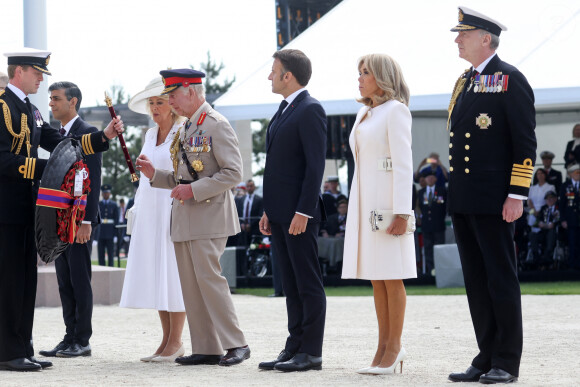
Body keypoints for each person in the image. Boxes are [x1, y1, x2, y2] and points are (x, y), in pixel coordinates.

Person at [0, 48, 123, 372]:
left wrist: (103, 137)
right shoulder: (2, 107)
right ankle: (6, 351)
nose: (41, 80)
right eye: (37, 73)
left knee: (25, 281)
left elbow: (63, 144)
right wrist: (49, 169)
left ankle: (21, 347)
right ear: (20, 71)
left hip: (26, 209)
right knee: (10, 282)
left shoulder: (30, 110)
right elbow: (3, 160)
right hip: (5, 210)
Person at [446, 7, 537, 384]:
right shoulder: (465, 81)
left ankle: (506, 360)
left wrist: (517, 193)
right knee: (476, 280)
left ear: (486, 38)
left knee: (500, 279)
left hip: (496, 198)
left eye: (463, 34)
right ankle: (485, 354)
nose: (456, 40)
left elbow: (524, 141)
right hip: (466, 197)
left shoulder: (510, 79)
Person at [137, 68, 250, 367]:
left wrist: (193, 191)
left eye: (173, 95)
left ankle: (236, 343)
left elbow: (233, 173)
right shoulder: (189, 127)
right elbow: (182, 176)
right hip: (186, 218)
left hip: (210, 216)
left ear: (190, 90)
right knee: (191, 285)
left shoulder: (215, 124)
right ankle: (207, 347)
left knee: (210, 281)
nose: (170, 101)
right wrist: (155, 176)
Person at [342, 53, 416, 375]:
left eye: (365, 72)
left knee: (391, 275)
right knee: (376, 278)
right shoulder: (364, 113)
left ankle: (394, 347)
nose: (359, 77)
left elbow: (403, 164)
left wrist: (402, 211)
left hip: (386, 204)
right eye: (359, 72)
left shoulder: (396, 111)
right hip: (363, 200)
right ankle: (382, 346)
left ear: (382, 77)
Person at [258, 49, 327, 372]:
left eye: (274, 71)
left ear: (289, 76)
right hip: (281, 214)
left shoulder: (310, 109)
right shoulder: (285, 109)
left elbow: (315, 167)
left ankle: (311, 351)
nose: (269, 76)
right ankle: (294, 344)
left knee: (307, 282)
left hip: (300, 215)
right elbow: (277, 167)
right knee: (290, 283)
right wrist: (269, 211)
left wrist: (304, 211)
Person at [120, 77, 187, 362]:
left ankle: (176, 341)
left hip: (170, 206)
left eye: (160, 102)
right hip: (150, 208)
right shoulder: (149, 134)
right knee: (158, 273)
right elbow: (144, 177)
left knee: (172, 272)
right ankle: (165, 340)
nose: (155, 107)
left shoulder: (182, 132)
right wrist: (137, 206)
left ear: (171, 105)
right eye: (152, 103)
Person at [39, 82, 102, 359]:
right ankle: (69, 336)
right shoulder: (59, 135)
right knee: (64, 280)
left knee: (79, 279)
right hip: (60, 220)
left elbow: (94, 179)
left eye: (56, 99)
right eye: (50, 99)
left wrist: (87, 221)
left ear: (72, 102)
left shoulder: (87, 133)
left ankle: (82, 340)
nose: (51, 103)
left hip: (79, 221)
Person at [417, 170, 447, 275]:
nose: (429, 179)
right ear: (424, 180)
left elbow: (445, 207)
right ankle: (431, 271)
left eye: (432, 177)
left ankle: (441, 271)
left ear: (435, 179)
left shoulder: (442, 191)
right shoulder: (421, 192)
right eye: (427, 177)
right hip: (426, 226)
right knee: (428, 249)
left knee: (440, 249)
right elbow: (420, 207)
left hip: (438, 225)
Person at [529, 190, 560, 267]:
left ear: (555, 199)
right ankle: (536, 256)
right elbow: (538, 221)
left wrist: (545, 225)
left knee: (551, 233)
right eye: (547, 199)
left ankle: (547, 255)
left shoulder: (558, 208)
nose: (549, 200)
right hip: (543, 232)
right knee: (532, 235)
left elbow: (554, 223)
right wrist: (540, 224)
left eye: (551, 198)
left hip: (554, 232)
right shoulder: (543, 208)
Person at [559, 164, 580, 271]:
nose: (578, 175)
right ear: (571, 174)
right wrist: (563, 219)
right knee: (572, 243)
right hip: (571, 220)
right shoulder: (565, 186)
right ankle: (572, 266)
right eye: (576, 172)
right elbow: (561, 204)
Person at [97, 184, 119, 267]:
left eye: (107, 193)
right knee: (101, 254)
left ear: (110, 194)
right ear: (102, 194)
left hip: (110, 232)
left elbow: (116, 220)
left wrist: (116, 235)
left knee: (110, 254)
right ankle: (101, 269)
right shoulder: (98, 204)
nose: (106, 194)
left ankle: (111, 268)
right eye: (104, 193)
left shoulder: (114, 205)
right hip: (101, 232)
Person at [237, 179, 264, 246]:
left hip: (254, 230)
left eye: (251, 186)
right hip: (243, 230)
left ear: (254, 187)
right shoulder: (241, 199)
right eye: (248, 186)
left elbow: (260, 215)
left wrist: (250, 225)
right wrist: (242, 224)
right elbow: (238, 213)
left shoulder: (259, 199)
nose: (249, 188)